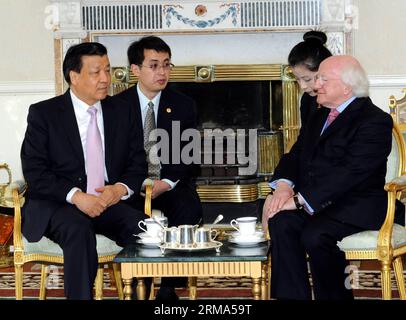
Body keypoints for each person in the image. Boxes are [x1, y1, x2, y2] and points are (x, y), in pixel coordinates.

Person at [262, 55, 404, 300]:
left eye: (323, 79)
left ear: (347, 87)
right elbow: (295, 155)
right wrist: (284, 186)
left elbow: (350, 173)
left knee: (315, 236)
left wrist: (299, 201)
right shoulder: (318, 116)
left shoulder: (374, 120)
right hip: (318, 203)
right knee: (282, 223)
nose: (316, 85)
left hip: (357, 205)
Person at [20, 42, 148, 300]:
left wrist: (119, 189)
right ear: (74, 77)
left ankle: (142, 297)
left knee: (144, 228)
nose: (105, 79)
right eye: (96, 72)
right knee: (78, 230)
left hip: (107, 201)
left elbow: (137, 164)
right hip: (60, 203)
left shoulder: (122, 110)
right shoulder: (44, 114)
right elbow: (35, 171)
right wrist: (77, 197)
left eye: (108, 70)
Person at [113, 36, 203, 301]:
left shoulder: (184, 104)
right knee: (127, 216)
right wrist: (134, 183)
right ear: (135, 69)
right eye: (153, 65)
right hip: (130, 184)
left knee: (187, 208)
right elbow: (111, 158)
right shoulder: (115, 106)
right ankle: (142, 277)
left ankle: (168, 286)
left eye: (166, 64)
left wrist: (168, 182)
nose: (162, 72)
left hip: (169, 182)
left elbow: (189, 155)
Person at [288, 31, 332, 134]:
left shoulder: (339, 101)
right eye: (297, 79)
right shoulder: (307, 99)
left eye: (307, 79)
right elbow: (304, 139)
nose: (302, 86)